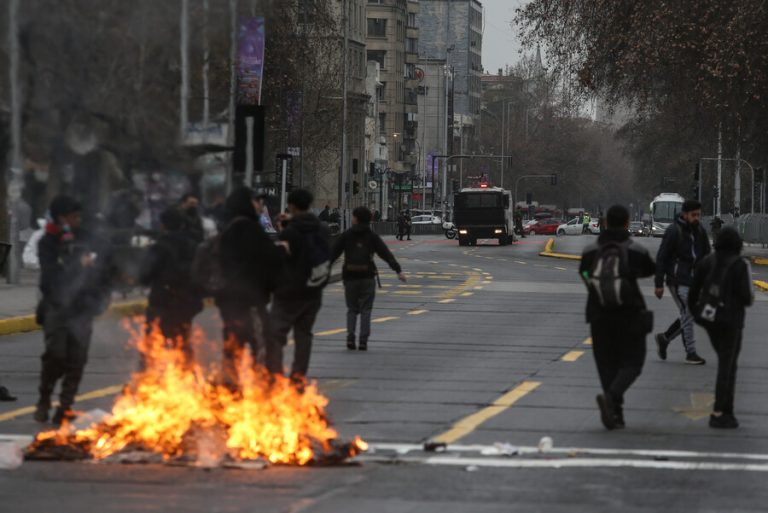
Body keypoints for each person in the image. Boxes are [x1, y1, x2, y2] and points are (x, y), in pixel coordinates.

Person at [35, 195, 114, 425]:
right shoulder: (48, 241)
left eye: (79, 216)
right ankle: (44, 399)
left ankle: (66, 407)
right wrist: (76, 264)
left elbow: (104, 268)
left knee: (77, 360)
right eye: (72, 217)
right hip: (57, 307)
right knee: (56, 355)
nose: (77, 220)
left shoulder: (87, 238)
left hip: (82, 308)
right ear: (61, 218)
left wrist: (102, 295)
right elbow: (49, 278)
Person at [579, 204, 656, 429]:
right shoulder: (636, 250)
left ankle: (615, 411)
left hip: (598, 314)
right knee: (633, 361)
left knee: (607, 365)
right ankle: (613, 399)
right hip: (629, 313)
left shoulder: (590, 251)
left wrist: (595, 286)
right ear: (626, 222)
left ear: (604, 223)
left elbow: (584, 272)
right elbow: (649, 270)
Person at [689, 227, 754, 429]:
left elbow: (693, 294)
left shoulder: (706, 262)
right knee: (727, 367)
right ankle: (721, 411)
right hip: (731, 322)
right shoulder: (740, 265)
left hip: (710, 320)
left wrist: (698, 317)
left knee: (726, 363)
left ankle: (726, 410)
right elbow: (747, 297)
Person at [216, 187, 281, 384]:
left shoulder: (227, 227)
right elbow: (266, 262)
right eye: (257, 201)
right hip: (249, 299)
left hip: (229, 300)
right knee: (262, 346)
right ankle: (263, 389)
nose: (261, 205)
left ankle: (230, 392)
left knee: (233, 347)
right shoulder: (248, 229)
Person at [267, 189, 329, 384]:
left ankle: (275, 375)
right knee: (304, 334)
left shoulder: (290, 232)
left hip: (288, 292)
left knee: (276, 334)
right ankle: (298, 375)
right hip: (313, 290)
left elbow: (281, 258)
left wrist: (283, 230)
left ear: (292, 206)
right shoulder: (322, 229)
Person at [331, 207, 406, 351]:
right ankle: (363, 340)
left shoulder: (347, 235)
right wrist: (398, 270)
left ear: (356, 219)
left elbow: (333, 253)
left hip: (350, 276)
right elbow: (385, 254)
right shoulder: (372, 236)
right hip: (367, 277)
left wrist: (322, 270)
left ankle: (350, 338)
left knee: (352, 309)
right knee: (366, 309)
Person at [138, 207, 203, 365]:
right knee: (182, 346)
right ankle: (186, 381)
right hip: (185, 303)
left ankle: (147, 381)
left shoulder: (159, 247)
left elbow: (144, 276)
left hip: (162, 302)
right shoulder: (193, 245)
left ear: (163, 225)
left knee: (151, 347)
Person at [654, 199, 711, 365]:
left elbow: (706, 255)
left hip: (694, 280)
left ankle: (665, 338)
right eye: (694, 215)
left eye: (699, 215)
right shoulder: (674, 231)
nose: (697, 218)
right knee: (688, 312)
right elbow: (661, 257)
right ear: (685, 214)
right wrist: (659, 284)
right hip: (677, 280)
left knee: (690, 314)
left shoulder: (700, 231)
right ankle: (691, 352)